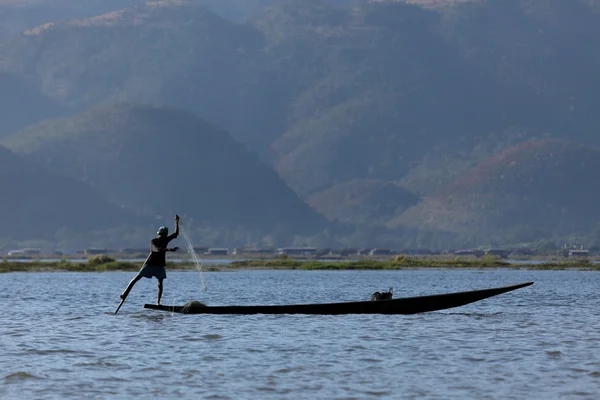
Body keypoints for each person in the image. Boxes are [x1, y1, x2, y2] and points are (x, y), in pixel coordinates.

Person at [120, 215, 180, 305]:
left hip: (160, 265)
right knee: (137, 278)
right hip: (151, 263)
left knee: (160, 283)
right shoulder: (153, 241)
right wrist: (168, 249)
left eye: (162, 235)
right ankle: (124, 294)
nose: (160, 236)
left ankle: (158, 302)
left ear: (164, 235)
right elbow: (156, 249)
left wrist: (177, 222)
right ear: (158, 234)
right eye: (160, 235)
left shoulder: (165, 240)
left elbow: (175, 234)